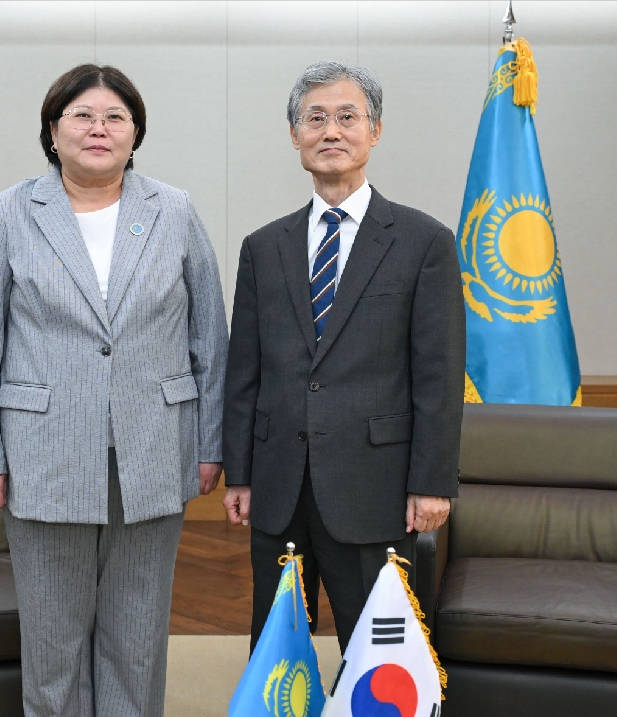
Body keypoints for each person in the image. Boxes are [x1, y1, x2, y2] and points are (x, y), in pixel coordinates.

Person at [0, 64, 228, 717]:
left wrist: (210, 442)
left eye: (115, 117)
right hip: (41, 449)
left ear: (135, 133)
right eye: (81, 115)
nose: (98, 129)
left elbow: (209, 338)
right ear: (53, 130)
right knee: (53, 636)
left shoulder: (174, 210)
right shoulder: (12, 210)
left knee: (136, 633)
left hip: (156, 446)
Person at [222, 61, 465, 653]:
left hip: (375, 487)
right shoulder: (263, 246)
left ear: (374, 132)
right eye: (316, 118)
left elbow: (438, 374)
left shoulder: (423, 241)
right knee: (278, 653)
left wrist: (431, 483)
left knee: (378, 656)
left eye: (347, 117)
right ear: (295, 134)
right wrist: (242, 471)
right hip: (280, 486)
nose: (331, 131)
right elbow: (244, 371)